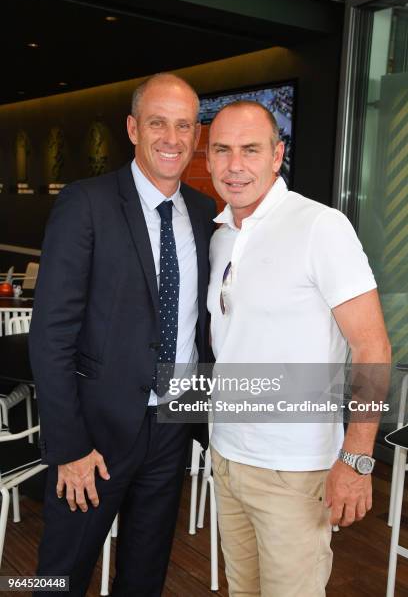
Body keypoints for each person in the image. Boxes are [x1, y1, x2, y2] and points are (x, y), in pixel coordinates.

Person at [29, 73, 216, 596]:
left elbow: (200, 328)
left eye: (183, 126)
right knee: (59, 576)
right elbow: (50, 333)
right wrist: (69, 446)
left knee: (145, 574)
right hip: (94, 437)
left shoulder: (205, 213)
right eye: (158, 122)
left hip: (172, 425)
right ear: (133, 128)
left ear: (196, 136)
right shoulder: (84, 202)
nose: (171, 138)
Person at [205, 101, 391, 596]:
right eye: (221, 150)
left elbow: (372, 346)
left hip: (294, 472)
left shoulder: (320, 227)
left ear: (276, 155)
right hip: (227, 459)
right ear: (206, 159)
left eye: (250, 149)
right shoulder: (222, 235)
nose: (235, 165)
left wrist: (356, 458)